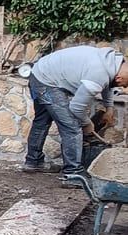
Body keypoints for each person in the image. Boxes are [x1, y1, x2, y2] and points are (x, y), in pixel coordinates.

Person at [23, 44, 127, 185]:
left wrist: (109, 108)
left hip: (38, 73)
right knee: (72, 127)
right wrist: (86, 124)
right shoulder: (98, 74)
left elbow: (108, 83)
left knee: (42, 121)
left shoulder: (113, 61)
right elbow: (76, 108)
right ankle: (73, 175)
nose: (123, 87)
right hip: (47, 83)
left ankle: (33, 161)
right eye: (125, 85)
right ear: (120, 78)